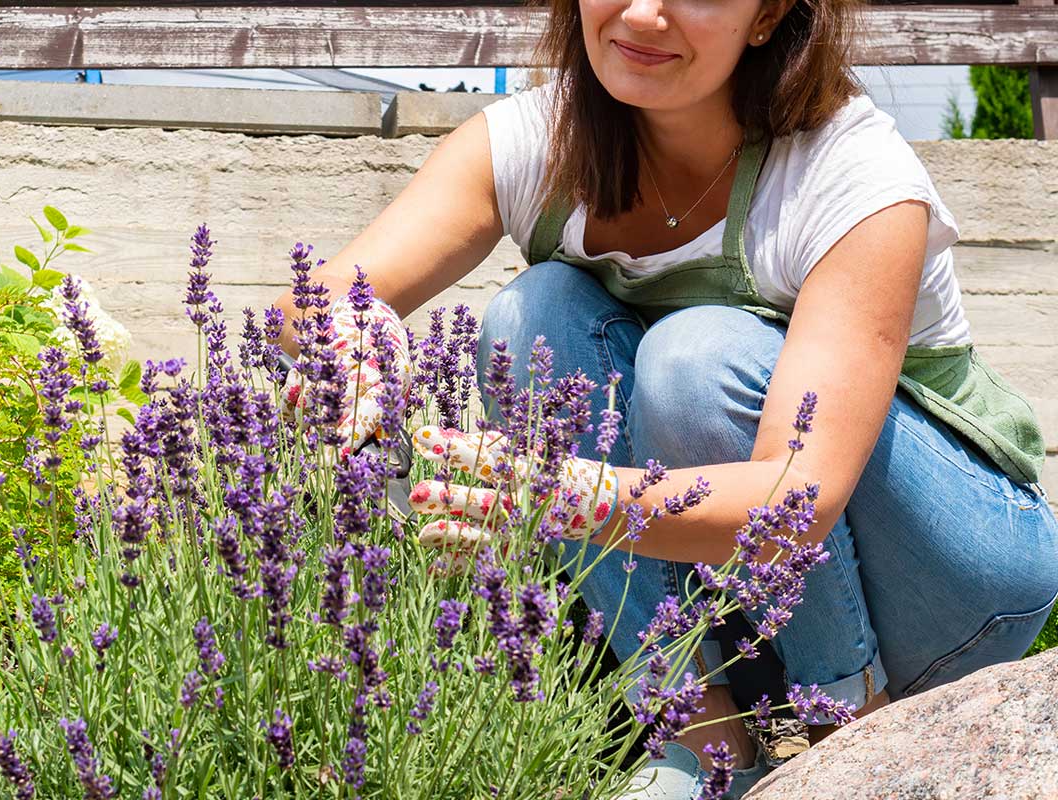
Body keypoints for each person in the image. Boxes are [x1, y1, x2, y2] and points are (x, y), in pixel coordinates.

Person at [272, 0, 1058, 796]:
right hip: (752, 600)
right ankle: (704, 736)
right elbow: (318, 299)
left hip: (949, 572)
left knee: (696, 360)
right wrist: (358, 347)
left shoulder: (853, 172)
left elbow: (800, 499)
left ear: (767, 16)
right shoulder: (534, 142)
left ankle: (841, 726)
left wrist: (548, 495)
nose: (645, 14)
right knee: (528, 319)